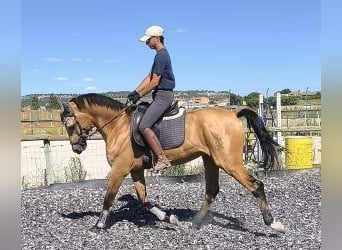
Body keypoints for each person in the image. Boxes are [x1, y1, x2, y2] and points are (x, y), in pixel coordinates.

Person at [127, 25, 175, 172]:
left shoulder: (161, 55)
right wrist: (135, 91)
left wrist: (140, 95)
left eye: (148, 40)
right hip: (159, 95)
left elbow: (155, 82)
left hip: (163, 96)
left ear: (157, 38)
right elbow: (149, 77)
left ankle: (162, 158)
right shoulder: (159, 55)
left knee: (143, 125)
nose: (147, 43)